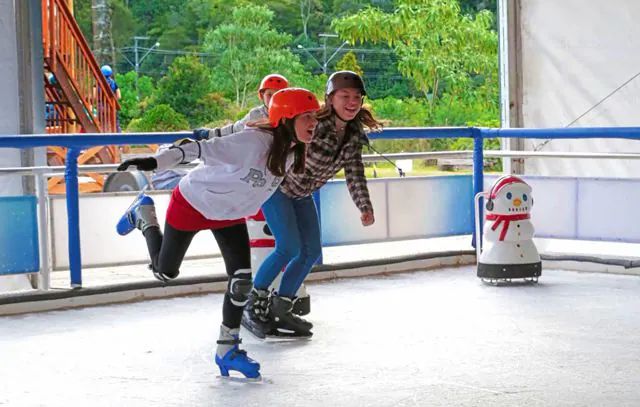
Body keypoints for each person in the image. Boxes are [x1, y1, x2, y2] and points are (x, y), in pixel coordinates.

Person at [114, 88, 320, 379]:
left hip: (229, 215)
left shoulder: (292, 150)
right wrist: (155, 162)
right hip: (194, 202)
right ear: (287, 118)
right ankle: (144, 216)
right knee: (165, 271)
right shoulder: (252, 142)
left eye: (315, 116)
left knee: (240, 284)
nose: (314, 122)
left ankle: (227, 351)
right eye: (307, 116)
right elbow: (200, 148)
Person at [242, 71, 383, 339]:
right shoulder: (312, 119)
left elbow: (354, 172)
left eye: (356, 97)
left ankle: (281, 307)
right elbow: (278, 126)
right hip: (277, 189)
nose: (351, 102)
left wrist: (364, 206)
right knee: (288, 247)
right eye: (345, 96)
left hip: (303, 194)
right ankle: (253, 302)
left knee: (310, 252)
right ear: (330, 99)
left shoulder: (353, 134)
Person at [152, 74, 290, 190]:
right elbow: (234, 130)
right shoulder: (256, 114)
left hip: (280, 173)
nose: (272, 99)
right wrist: (209, 135)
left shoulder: (291, 116)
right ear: (262, 95)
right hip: (255, 169)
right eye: (269, 94)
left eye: (277, 95)